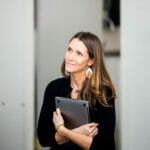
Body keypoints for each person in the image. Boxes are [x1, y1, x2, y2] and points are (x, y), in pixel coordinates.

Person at [37, 32, 116, 150]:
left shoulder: (104, 93)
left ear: (91, 61)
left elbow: (102, 145)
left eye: (79, 53)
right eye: (69, 50)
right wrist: (79, 132)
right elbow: (43, 138)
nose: (70, 57)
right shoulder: (54, 87)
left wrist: (63, 131)